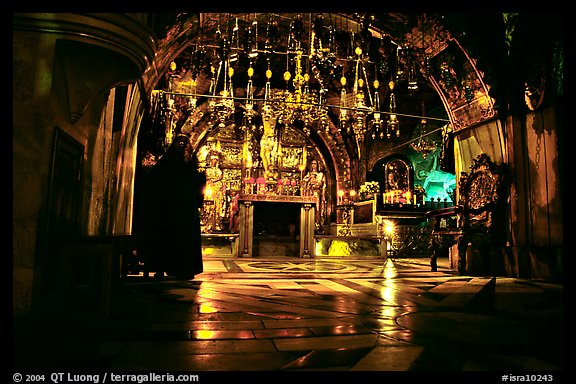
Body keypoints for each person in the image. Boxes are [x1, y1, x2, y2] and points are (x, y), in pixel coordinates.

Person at [144, 133, 206, 280]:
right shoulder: (171, 166)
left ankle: (182, 268)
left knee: (179, 239)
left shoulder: (173, 165)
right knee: (172, 238)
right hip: (172, 210)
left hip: (179, 210)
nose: (184, 149)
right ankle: (174, 267)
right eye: (182, 147)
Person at [301, 159, 326, 228]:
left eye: (315, 164)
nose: (314, 165)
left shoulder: (320, 174)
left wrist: (314, 183)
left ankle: (317, 223)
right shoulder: (308, 174)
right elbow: (303, 183)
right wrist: (308, 181)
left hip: (316, 193)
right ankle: (307, 223)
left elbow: (320, 184)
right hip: (309, 193)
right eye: (312, 163)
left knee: (317, 208)